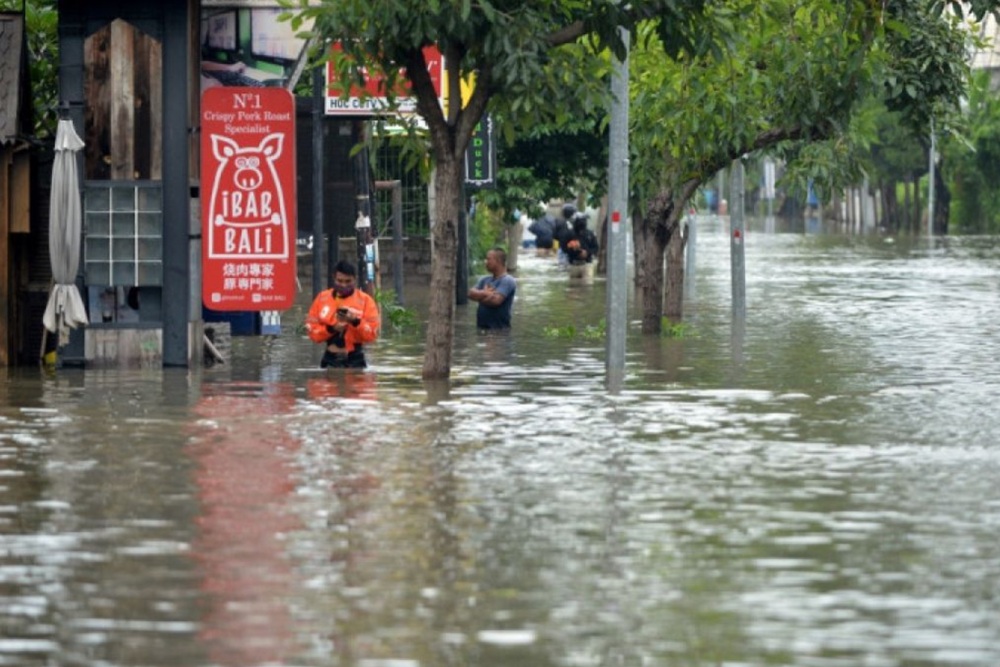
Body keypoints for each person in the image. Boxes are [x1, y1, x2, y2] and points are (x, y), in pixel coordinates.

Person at [305, 260, 380, 368]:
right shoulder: (322, 299)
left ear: (355, 279)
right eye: (340, 281)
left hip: (355, 358)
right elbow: (313, 333)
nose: (344, 285)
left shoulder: (365, 301)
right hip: (330, 357)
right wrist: (332, 328)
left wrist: (355, 321)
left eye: (348, 281)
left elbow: (372, 335)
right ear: (333, 278)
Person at [468, 247, 517, 331]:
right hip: (481, 329)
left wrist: (478, 296)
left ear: (498, 261)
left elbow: (495, 301)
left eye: (488, 259)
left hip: (499, 331)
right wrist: (484, 293)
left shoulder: (508, 280)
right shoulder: (484, 279)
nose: (485, 262)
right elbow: (470, 293)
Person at [564, 213, 600, 280]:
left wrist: (587, 253)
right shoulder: (569, 234)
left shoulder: (590, 234)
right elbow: (564, 248)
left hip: (587, 264)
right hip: (573, 264)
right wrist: (573, 249)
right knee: (573, 288)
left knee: (587, 286)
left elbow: (596, 248)